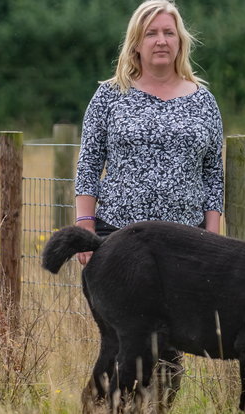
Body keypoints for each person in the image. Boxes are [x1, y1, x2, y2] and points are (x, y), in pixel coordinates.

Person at [73, 0, 224, 265]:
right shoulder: (109, 96)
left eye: (169, 33)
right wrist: (85, 225)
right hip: (118, 235)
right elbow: (89, 164)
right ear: (136, 44)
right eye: (151, 34)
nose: (161, 41)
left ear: (180, 42)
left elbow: (212, 174)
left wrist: (212, 239)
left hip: (188, 239)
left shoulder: (204, 101)